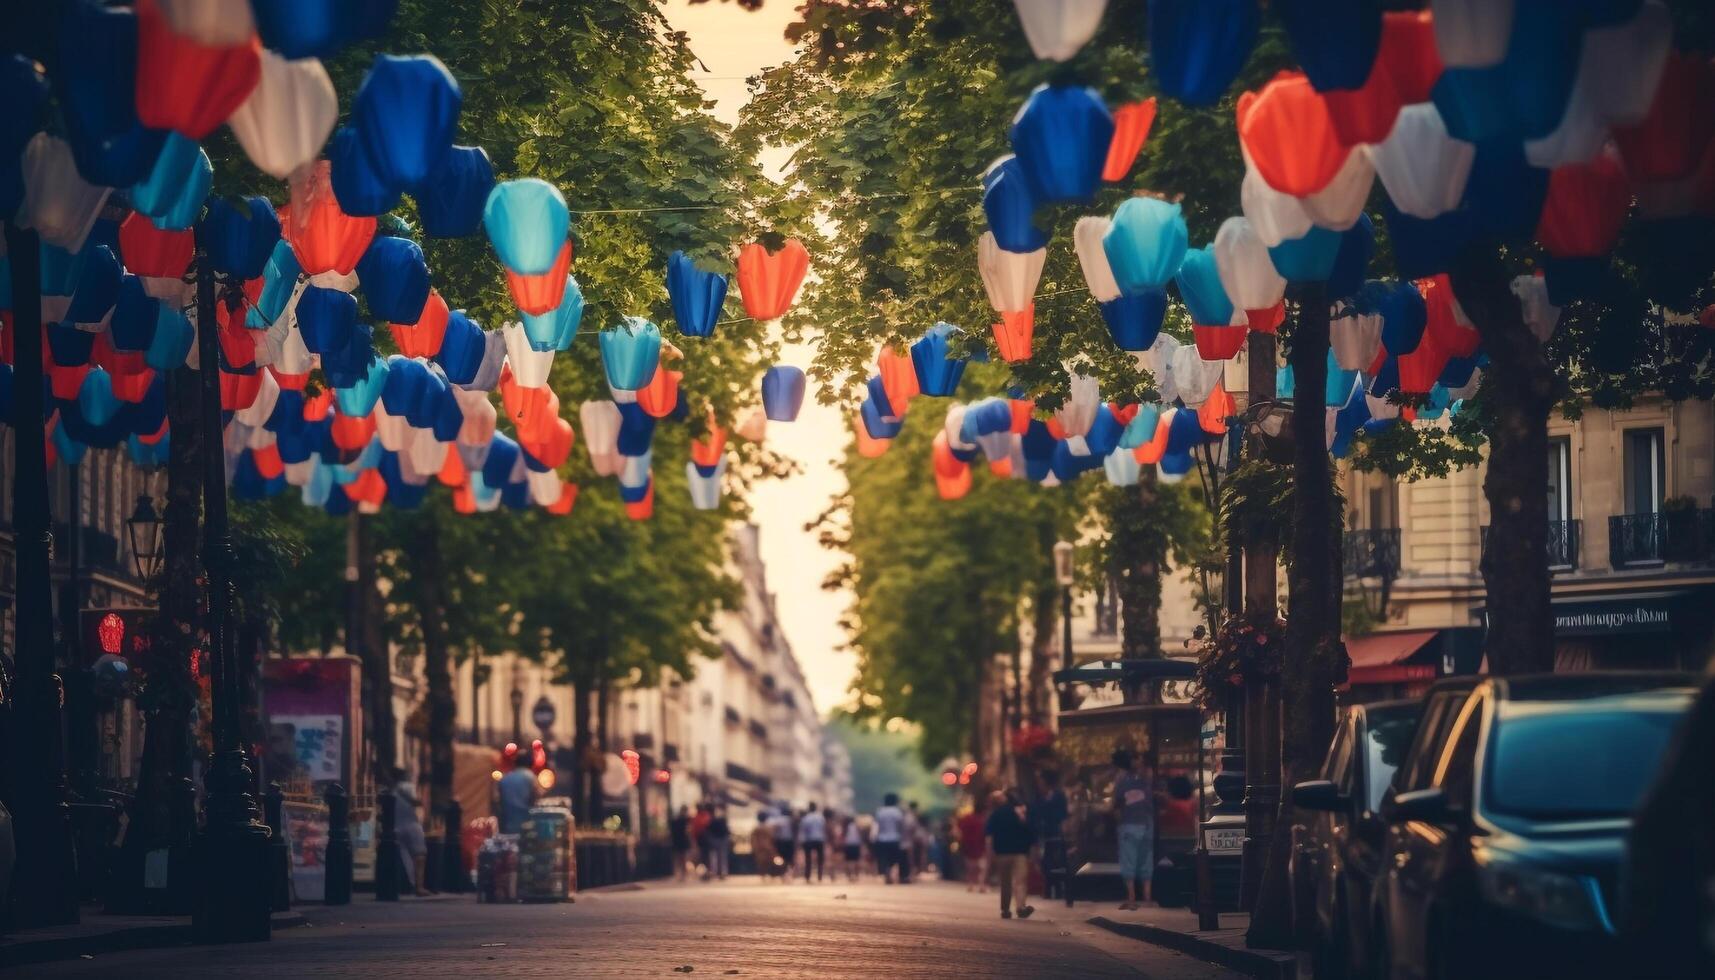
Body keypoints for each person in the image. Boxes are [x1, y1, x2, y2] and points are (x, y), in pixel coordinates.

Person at [1111, 749, 1155, 910]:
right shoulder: (1148, 780)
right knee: (1145, 861)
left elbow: (1116, 804)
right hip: (1146, 825)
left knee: (1129, 862)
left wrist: (1117, 817)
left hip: (1129, 825)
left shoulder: (1123, 781)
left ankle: (1131, 898)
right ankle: (1147, 898)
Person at [984, 789, 1036, 920]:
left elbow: (989, 837)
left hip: (1002, 853)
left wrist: (990, 855)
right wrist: (1032, 848)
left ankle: (1005, 909)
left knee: (1005, 882)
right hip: (1020, 852)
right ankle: (1020, 907)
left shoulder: (994, 814)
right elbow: (1030, 830)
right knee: (1020, 881)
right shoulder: (1020, 812)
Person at [1032, 769, 1070, 900]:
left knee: (1058, 862)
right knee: (1045, 863)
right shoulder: (1039, 797)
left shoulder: (1059, 796)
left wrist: (1064, 831)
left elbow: (1064, 816)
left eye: (1041, 781)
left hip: (1056, 833)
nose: (1039, 784)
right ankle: (1048, 890)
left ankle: (1059, 890)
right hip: (1043, 834)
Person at [393, 781, 430, 896]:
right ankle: (419, 887)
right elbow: (416, 802)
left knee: (405, 858)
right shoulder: (408, 786)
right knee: (419, 857)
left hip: (397, 826)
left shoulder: (391, 791)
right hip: (412, 824)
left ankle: (410, 885)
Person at [496, 752, 536, 835]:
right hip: (525, 824)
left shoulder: (505, 778)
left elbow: (498, 801)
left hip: (507, 824)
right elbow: (535, 798)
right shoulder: (530, 777)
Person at [957, 798, 989, 893]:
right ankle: (981, 885)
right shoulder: (984, 819)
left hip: (967, 844)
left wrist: (961, 839)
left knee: (970, 866)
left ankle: (970, 884)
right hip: (981, 845)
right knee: (981, 867)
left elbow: (958, 829)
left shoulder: (967, 818)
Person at [873, 793, 905, 883]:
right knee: (894, 858)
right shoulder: (897, 812)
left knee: (884, 858)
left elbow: (877, 825)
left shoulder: (880, 811)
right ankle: (891, 874)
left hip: (882, 838)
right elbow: (901, 825)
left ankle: (887, 875)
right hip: (894, 838)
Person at [799, 802, 827, 883]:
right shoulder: (821, 818)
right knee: (820, 859)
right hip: (820, 839)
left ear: (809, 808)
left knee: (808, 859)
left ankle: (807, 876)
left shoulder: (806, 818)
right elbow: (824, 828)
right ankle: (820, 876)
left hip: (809, 840)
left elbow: (804, 830)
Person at [768, 805, 796, 881]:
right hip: (789, 841)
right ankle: (787, 873)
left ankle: (781, 873)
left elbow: (774, 831)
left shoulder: (778, 820)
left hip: (781, 841)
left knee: (781, 858)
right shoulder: (791, 820)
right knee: (789, 858)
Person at [705, 805, 731, 880]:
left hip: (715, 840)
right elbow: (727, 831)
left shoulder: (711, 819)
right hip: (721, 840)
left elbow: (708, 830)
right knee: (722, 857)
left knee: (714, 857)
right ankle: (722, 872)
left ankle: (715, 872)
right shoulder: (721, 819)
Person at [670, 805, 694, 881]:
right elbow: (688, 831)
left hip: (677, 841)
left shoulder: (675, 820)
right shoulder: (686, 820)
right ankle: (682, 874)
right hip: (683, 841)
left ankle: (677, 874)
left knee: (678, 858)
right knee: (683, 858)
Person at [841, 812, 864, 882]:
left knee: (848, 861)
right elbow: (861, 835)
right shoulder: (857, 826)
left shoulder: (846, 827)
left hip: (848, 845)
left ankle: (850, 875)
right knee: (856, 861)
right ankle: (856, 875)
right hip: (856, 844)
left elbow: (843, 836)